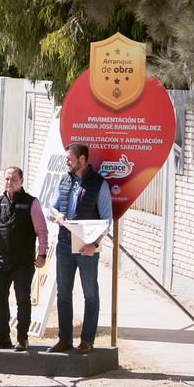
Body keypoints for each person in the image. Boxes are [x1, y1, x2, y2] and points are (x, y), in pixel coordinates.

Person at [0, 167, 50, 352]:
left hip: (23, 262)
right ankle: (3, 337)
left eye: (13, 179)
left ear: (21, 181)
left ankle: (22, 339)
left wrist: (42, 254)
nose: (9, 182)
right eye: (6, 179)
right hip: (1, 261)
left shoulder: (32, 203)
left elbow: (42, 231)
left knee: (23, 300)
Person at [47, 143, 112, 354]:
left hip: (87, 248)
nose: (66, 162)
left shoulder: (99, 184)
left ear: (82, 159)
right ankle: (64, 339)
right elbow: (52, 207)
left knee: (90, 294)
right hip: (64, 246)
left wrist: (95, 245)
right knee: (63, 294)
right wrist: (56, 215)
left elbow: (107, 220)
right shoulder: (64, 180)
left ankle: (87, 341)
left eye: (70, 159)